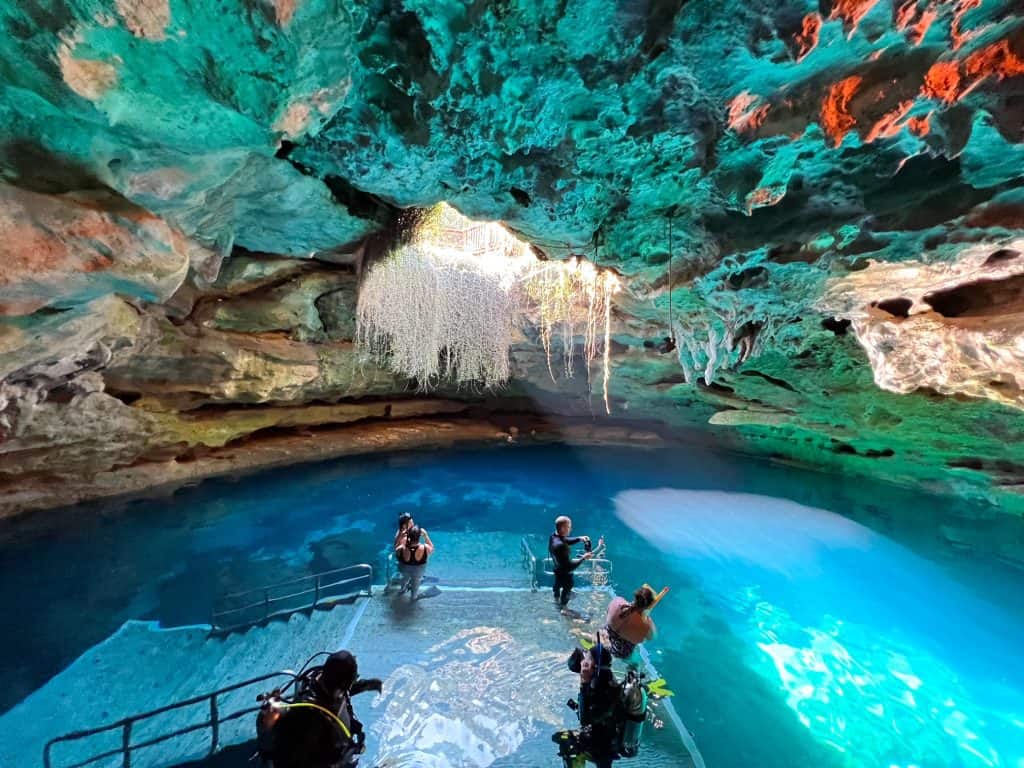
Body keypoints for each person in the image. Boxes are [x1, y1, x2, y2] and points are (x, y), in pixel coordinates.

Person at [256, 650, 383, 768]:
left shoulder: (327, 680)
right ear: (342, 685)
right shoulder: (311, 716)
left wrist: (366, 685)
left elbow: (347, 692)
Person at [548, 515, 600, 609]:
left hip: (557, 569)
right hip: (565, 574)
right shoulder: (561, 546)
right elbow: (569, 567)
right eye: (569, 527)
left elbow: (565, 540)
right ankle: (563, 607)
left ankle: (556, 597)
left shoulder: (553, 536)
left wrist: (579, 538)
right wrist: (584, 558)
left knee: (557, 585)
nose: (571, 529)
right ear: (563, 528)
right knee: (567, 589)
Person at [603, 586, 657, 662]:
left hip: (604, 637)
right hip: (619, 652)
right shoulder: (644, 626)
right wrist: (647, 617)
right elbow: (653, 637)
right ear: (648, 607)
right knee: (637, 661)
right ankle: (633, 667)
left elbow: (608, 611)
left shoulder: (617, 601)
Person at [395, 525, 434, 599]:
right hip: (418, 571)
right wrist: (426, 536)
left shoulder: (402, 548)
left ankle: (403, 588)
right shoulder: (425, 548)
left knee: (404, 578)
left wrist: (401, 536)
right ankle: (413, 596)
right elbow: (432, 547)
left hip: (404, 570)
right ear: (419, 536)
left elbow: (396, 549)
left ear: (408, 536)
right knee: (416, 582)